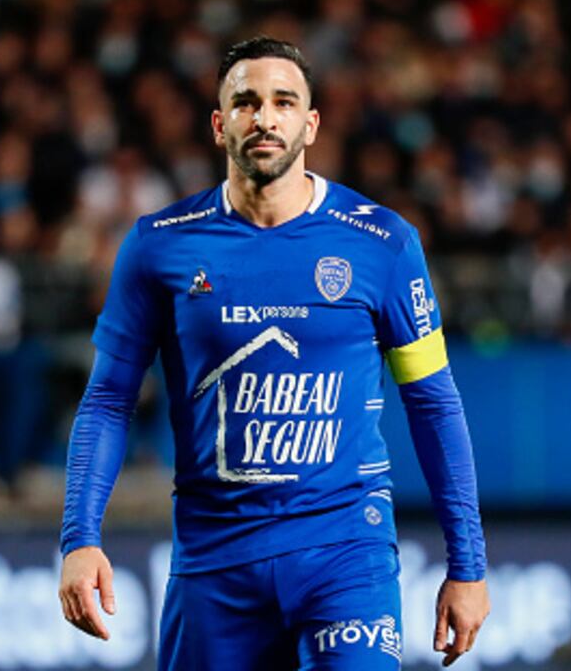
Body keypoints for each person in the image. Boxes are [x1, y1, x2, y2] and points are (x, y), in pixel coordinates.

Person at [59, 37, 490, 669]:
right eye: (246, 102)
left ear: (310, 124)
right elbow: (107, 399)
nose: (265, 117)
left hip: (346, 554)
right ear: (219, 124)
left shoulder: (383, 245)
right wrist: (79, 539)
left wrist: (469, 564)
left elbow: (432, 402)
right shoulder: (158, 247)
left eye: (284, 102)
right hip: (214, 564)